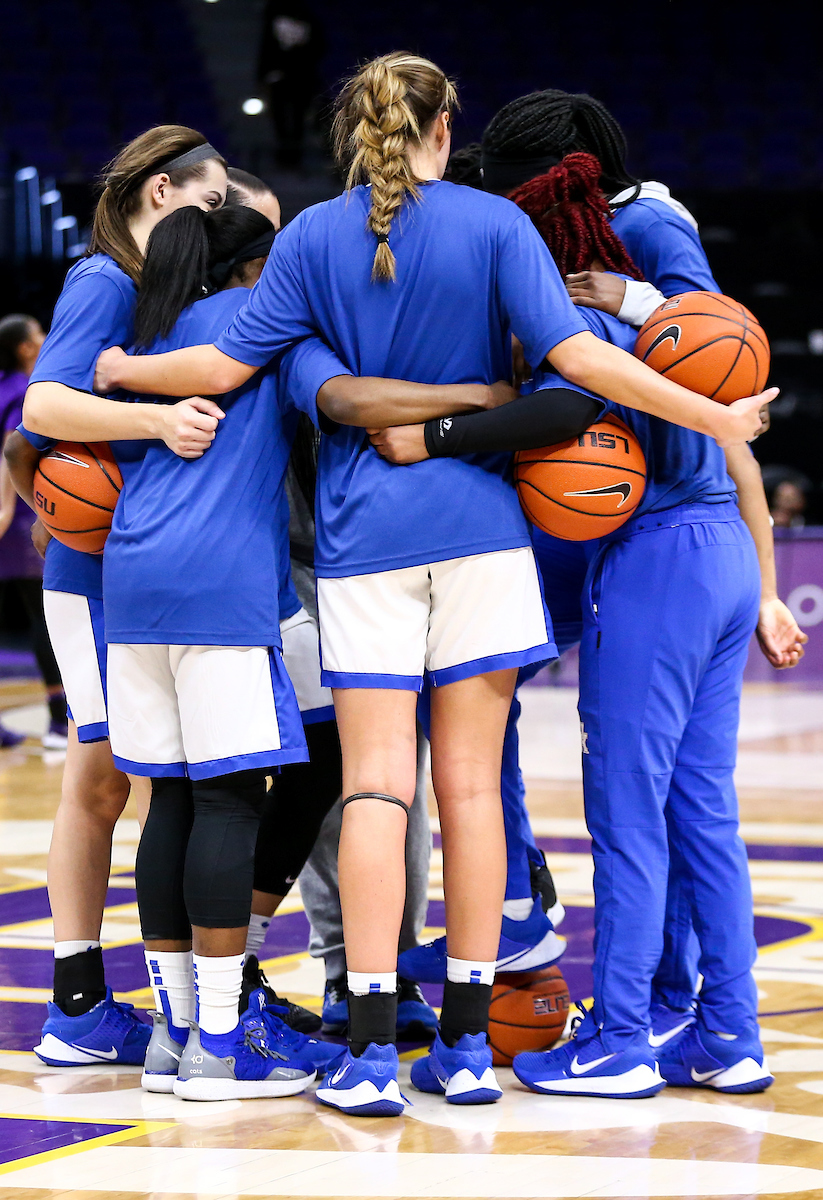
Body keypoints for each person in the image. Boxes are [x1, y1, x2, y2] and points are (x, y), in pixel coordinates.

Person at [78, 52, 770, 1119]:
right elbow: (581, 366)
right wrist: (713, 417)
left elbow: (227, 374)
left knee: (373, 788)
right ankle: (461, 1049)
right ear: (447, 130)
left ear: (350, 136)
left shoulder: (304, 240)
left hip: (363, 551)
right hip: (485, 538)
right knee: (466, 791)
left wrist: (120, 373)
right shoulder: (495, 226)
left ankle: (361, 1055)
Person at [370, 149, 805, 1098]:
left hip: (650, 558)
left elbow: (563, 403)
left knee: (622, 812)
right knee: (701, 814)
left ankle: (617, 1038)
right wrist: (768, 587)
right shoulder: (678, 336)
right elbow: (736, 436)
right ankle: (726, 1035)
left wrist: (453, 424)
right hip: (722, 553)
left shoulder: (599, 320)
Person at [475, 87, 803, 1038]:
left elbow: (719, 354)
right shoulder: (544, 235)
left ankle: (634, 1018)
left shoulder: (649, 223)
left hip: (642, 537)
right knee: (478, 702)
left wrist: (635, 299)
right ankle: (706, 1022)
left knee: (633, 802)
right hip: (632, 536)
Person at [4, 125, 229, 1069]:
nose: (215, 223)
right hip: (93, 573)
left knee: (131, 781)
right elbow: (44, 411)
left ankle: (125, 1001)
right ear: (158, 190)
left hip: (138, 566)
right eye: (209, 204)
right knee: (103, 783)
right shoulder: (105, 277)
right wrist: (153, 421)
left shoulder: (171, 289)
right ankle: (79, 1007)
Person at [224, 169, 439, 1041]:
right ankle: (332, 966)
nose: (281, 258)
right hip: (268, 578)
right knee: (306, 781)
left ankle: (371, 965)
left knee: (376, 782)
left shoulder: (316, 321)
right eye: (262, 243)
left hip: (341, 563)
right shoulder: (223, 334)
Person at [0, 314, 67, 750]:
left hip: (16, 515)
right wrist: (6, 508)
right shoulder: (25, 392)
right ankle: (61, 722)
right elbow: (10, 450)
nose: (44, 338)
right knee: (46, 618)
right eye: (39, 333)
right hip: (23, 515)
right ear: (25, 347)